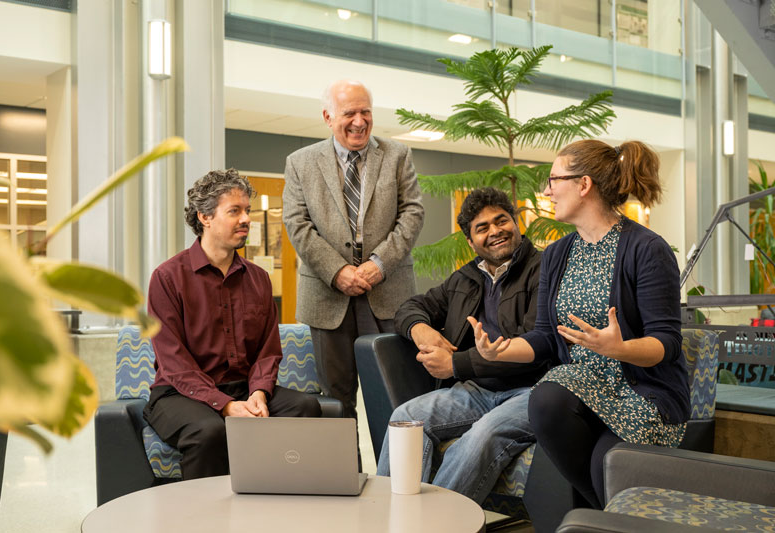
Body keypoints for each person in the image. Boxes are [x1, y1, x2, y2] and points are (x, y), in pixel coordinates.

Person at [469, 140, 689, 509]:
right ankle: (608, 516)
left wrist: (620, 349)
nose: (547, 190)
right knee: (547, 397)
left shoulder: (647, 248)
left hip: (642, 395)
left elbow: (667, 343)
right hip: (581, 395)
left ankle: (608, 518)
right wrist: (501, 350)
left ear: (583, 184)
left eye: (554, 179)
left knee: (607, 465)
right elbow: (543, 337)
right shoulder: (557, 253)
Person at [375, 187, 550, 503]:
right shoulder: (466, 279)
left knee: (482, 435)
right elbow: (410, 307)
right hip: (476, 391)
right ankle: (392, 516)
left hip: (531, 392)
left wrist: (456, 364)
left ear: (516, 222)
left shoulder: (544, 270)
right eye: (482, 228)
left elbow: (537, 345)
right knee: (406, 418)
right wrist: (420, 329)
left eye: (501, 221)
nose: (495, 231)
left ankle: (436, 525)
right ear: (471, 241)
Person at [144, 169, 321, 480]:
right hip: (179, 394)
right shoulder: (167, 278)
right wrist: (224, 405)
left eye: (247, 211)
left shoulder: (259, 279)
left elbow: (268, 350)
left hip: (243, 388)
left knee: (305, 408)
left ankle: (282, 507)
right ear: (205, 217)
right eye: (234, 211)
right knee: (209, 431)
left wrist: (259, 394)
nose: (246, 219)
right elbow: (174, 362)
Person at [282, 80, 424, 425]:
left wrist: (379, 264)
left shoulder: (397, 156)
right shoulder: (301, 162)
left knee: (397, 398)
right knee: (336, 402)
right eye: (349, 113)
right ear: (328, 117)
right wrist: (337, 272)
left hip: (387, 291)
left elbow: (413, 213)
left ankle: (397, 478)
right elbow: (298, 224)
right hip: (327, 297)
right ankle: (345, 477)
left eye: (366, 112)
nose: (359, 121)